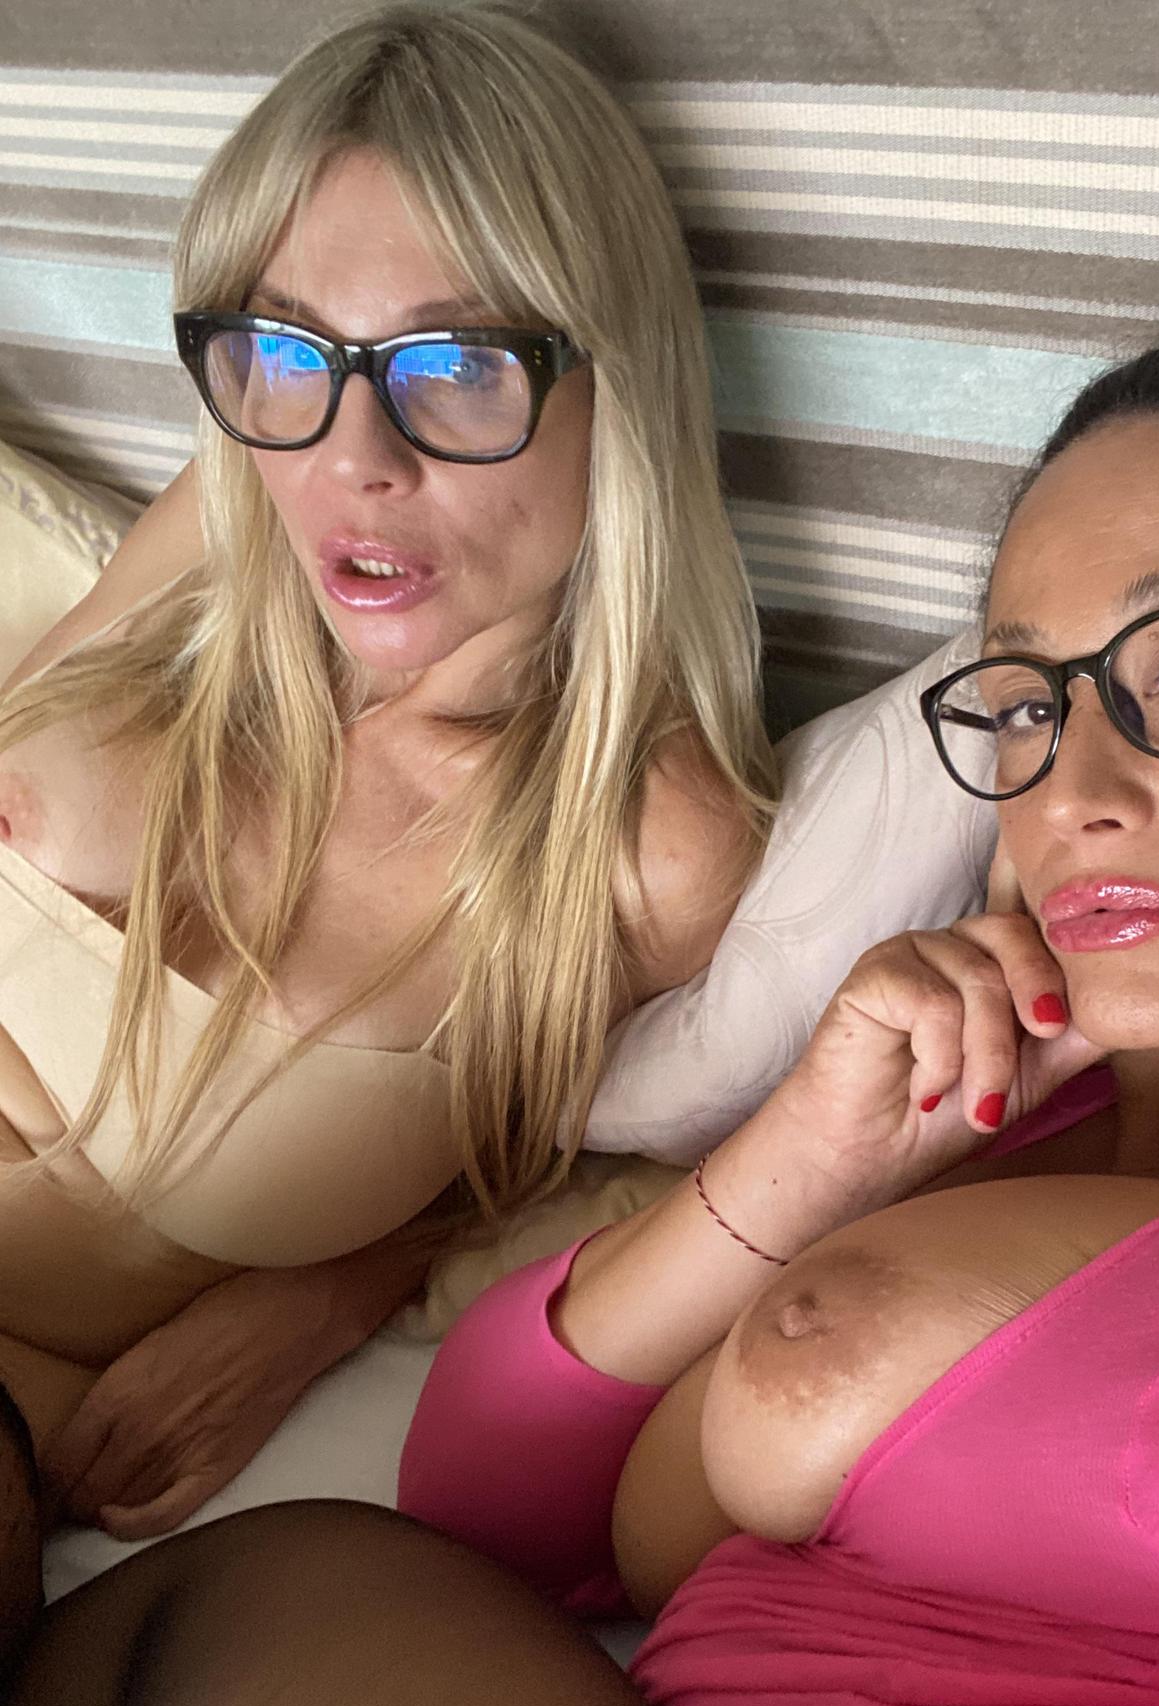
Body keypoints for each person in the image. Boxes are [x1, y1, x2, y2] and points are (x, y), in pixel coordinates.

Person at [1, 192, 1159, 1706]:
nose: (1077, 788)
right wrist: (803, 1162)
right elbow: (489, 1501)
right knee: (248, 1606)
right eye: (1025, 704)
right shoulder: (983, 1107)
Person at [0, 2, 774, 1538]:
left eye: (459, 362)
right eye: (288, 347)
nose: (356, 456)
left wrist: (322, 1300)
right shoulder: (236, 501)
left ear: (614, 382)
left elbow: (572, 1163)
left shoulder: (640, 844)